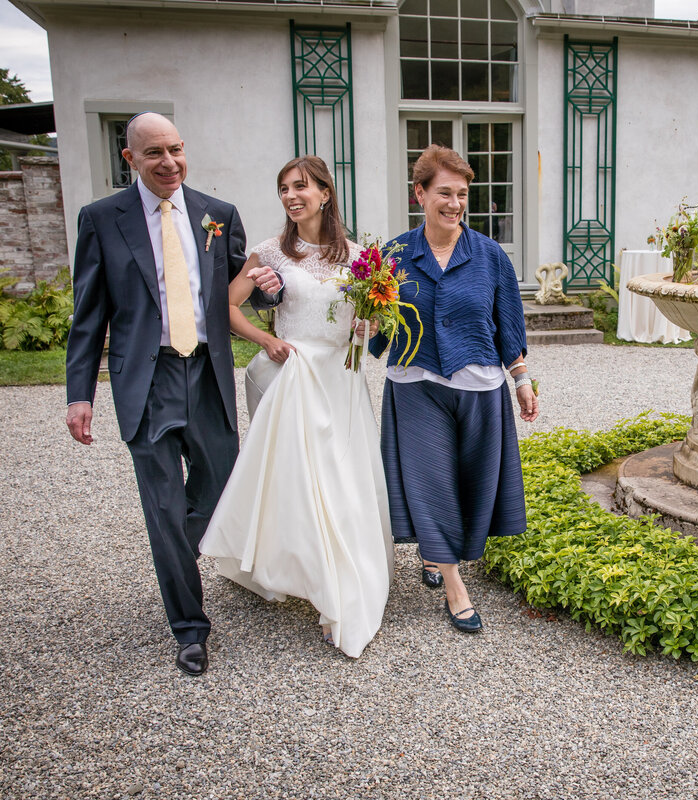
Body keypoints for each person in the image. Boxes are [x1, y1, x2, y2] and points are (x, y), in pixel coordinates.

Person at [65, 112, 270, 676]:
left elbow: (240, 293)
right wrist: (78, 392)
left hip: (207, 375)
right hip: (146, 380)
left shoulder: (217, 215)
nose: (169, 162)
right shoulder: (102, 220)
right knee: (161, 507)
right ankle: (189, 627)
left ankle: (182, 544)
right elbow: (88, 315)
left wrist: (270, 293)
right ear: (129, 158)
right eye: (154, 153)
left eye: (176, 149)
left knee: (220, 485)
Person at [199, 156, 394, 659]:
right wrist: (265, 339)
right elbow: (224, 307)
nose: (291, 196)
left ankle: (338, 578)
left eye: (301, 186)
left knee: (342, 476)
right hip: (295, 376)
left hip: (342, 379)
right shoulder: (270, 252)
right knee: (306, 480)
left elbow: (369, 322)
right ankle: (319, 584)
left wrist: (365, 326)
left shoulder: (360, 257)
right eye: (284, 188)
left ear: (325, 193)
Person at [369, 144, 538, 634]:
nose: (455, 203)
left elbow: (508, 324)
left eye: (462, 194)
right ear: (419, 193)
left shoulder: (488, 255)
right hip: (415, 383)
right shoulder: (394, 255)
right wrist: (365, 324)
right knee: (431, 481)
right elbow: (378, 333)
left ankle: (435, 552)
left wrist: (522, 381)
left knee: (469, 481)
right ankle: (453, 585)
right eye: (445, 192)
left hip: (480, 384)